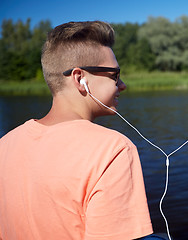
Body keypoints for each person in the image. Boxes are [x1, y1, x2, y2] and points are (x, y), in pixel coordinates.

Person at [0, 21, 155, 239]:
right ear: (80, 78)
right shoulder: (113, 150)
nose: (122, 85)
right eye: (114, 75)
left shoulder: (5, 144)